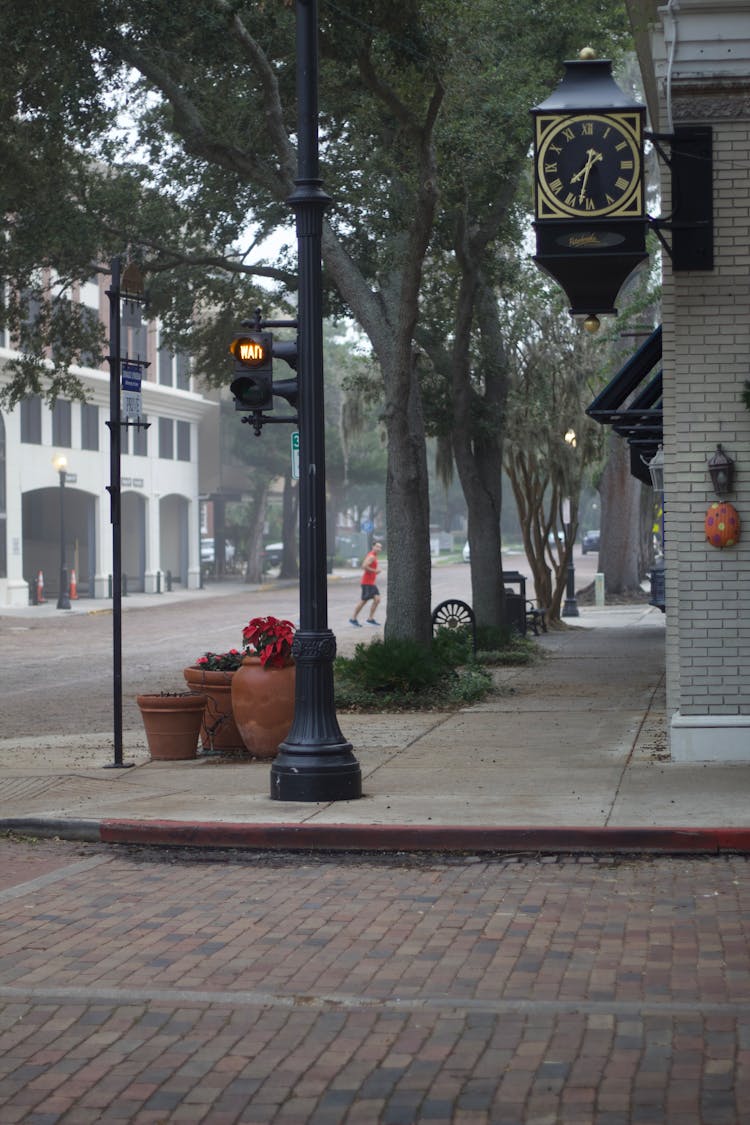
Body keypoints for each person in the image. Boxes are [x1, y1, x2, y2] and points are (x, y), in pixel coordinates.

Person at [349, 542, 383, 626]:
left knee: (377, 599)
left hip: (371, 583)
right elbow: (364, 566)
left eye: (380, 547)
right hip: (367, 583)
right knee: (363, 601)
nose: (379, 549)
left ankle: (370, 619)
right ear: (373, 547)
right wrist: (375, 571)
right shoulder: (371, 556)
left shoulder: (374, 556)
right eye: (377, 547)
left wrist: (375, 571)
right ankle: (353, 619)